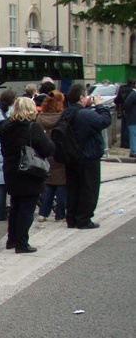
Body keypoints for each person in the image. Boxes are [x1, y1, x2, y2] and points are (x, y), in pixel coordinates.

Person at [0, 97, 55, 253]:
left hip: (10, 169)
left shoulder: (5, 126)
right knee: (27, 208)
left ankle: (12, 239)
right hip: (29, 170)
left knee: (15, 205)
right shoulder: (32, 128)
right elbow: (47, 149)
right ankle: (22, 242)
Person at [62, 83, 112, 230]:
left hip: (71, 157)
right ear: (81, 97)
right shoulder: (84, 114)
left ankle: (71, 218)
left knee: (73, 188)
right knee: (89, 188)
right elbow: (105, 120)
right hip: (87, 156)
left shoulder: (67, 112)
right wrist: (100, 105)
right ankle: (84, 219)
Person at [36, 91, 68, 223]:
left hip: (45, 152)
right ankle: (60, 214)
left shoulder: (39, 117)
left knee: (49, 184)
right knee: (61, 184)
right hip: (59, 152)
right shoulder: (62, 117)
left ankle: (43, 213)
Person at [0, 90, 17, 221]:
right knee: (13, 186)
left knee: (1, 186)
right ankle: (13, 211)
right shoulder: (14, 114)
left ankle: (0, 213)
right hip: (9, 152)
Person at [119, 78, 136, 156]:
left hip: (132, 117)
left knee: (133, 134)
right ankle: (133, 151)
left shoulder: (133, 94)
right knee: (133, 134)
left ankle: (133, 150)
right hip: (132, 117)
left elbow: (126, 105)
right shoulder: (133, 94)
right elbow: (126, 104)